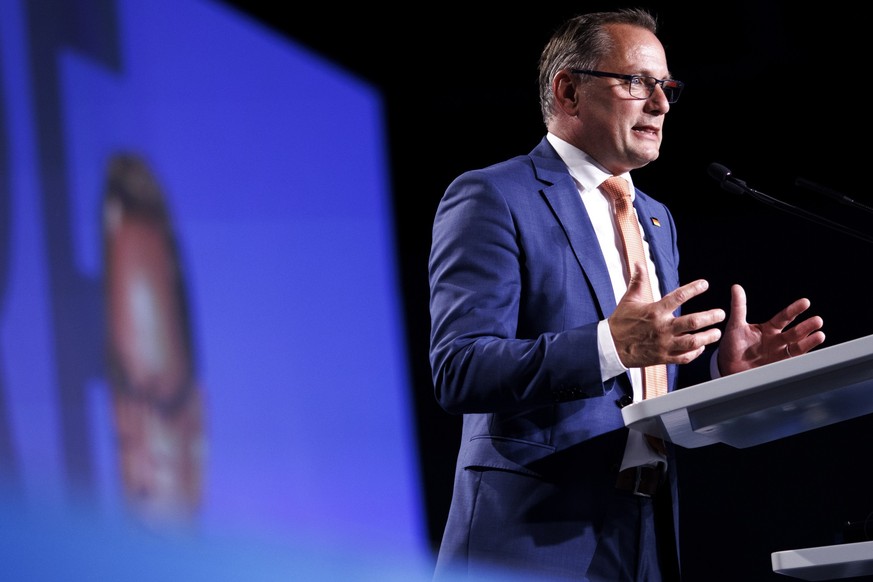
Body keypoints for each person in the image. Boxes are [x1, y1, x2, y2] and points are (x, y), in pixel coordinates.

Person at [427, 8, 825, 582]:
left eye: (666, 87)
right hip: (532, 534)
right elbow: (460, 368)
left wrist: (722, 372)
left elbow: (642, 382)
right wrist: (607, 345)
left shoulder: (654, 218)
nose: (661, 105)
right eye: (636, 82)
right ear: (568, 91)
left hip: (646, 527)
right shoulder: (494, 196)